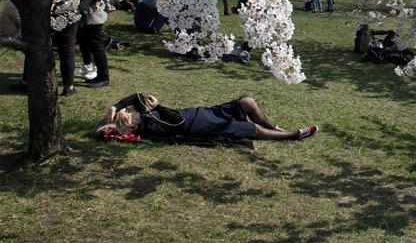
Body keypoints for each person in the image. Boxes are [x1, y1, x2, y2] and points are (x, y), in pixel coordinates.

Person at [97, 92, 319, 142]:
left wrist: (115, 106)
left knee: (248, 102)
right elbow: (177, 121)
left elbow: (137, 96)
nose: (133, 111)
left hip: (206, 112)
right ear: (129, 124)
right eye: (129, 114)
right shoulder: (150, 126)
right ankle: (292, 135)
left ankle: (275, 127)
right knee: (253, 131)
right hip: (202, 125)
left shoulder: (145, 117)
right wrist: (160, 106)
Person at [76, 0, 113, 88]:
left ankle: (104, 77)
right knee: (91, 45)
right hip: (89, 13)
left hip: (94, 14)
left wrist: (106, 3)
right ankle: (100, 76)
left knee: (97, 46)